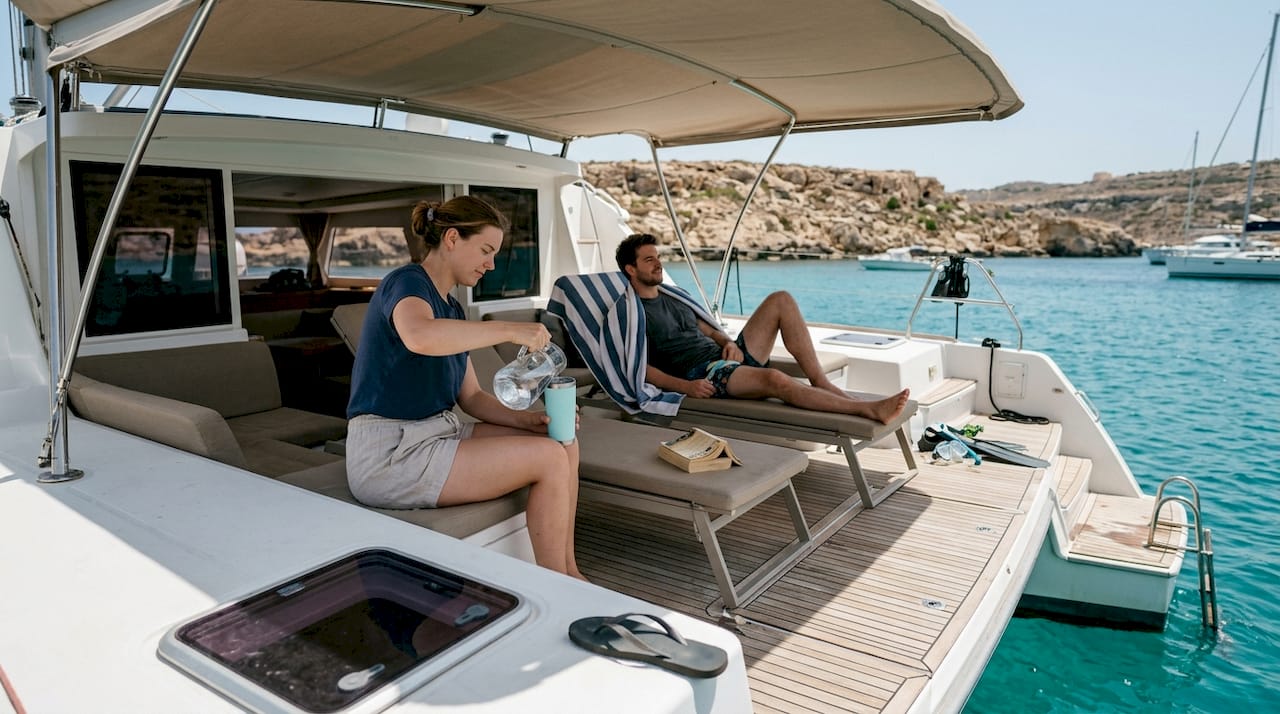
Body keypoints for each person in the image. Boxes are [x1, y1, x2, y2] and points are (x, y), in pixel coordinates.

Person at [346, 195, 583, 580]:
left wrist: (530, 421)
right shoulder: (406, 283)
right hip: (389, 453)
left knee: (562, 442)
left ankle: (571, 570)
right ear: (453, 238)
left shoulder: (453, 310)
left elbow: (470, 397)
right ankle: (559, 584)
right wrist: (509, 328)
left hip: (439, 433)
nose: (491, 264)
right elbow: (419, 336)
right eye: (486, 250)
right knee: (549, 459)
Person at [616, 233, 910, 424]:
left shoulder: (672, 296)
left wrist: (728, 341)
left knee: (780, 300)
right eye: (649, 259)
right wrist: (686, 387)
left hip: (728, 358)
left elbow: (707, 329)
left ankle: (821, 382)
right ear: (631, 269)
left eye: (658, 257)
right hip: (704, 374)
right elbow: (639, 366)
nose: (658, 264)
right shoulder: (630, 312)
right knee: (775, 379)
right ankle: (867, 410)